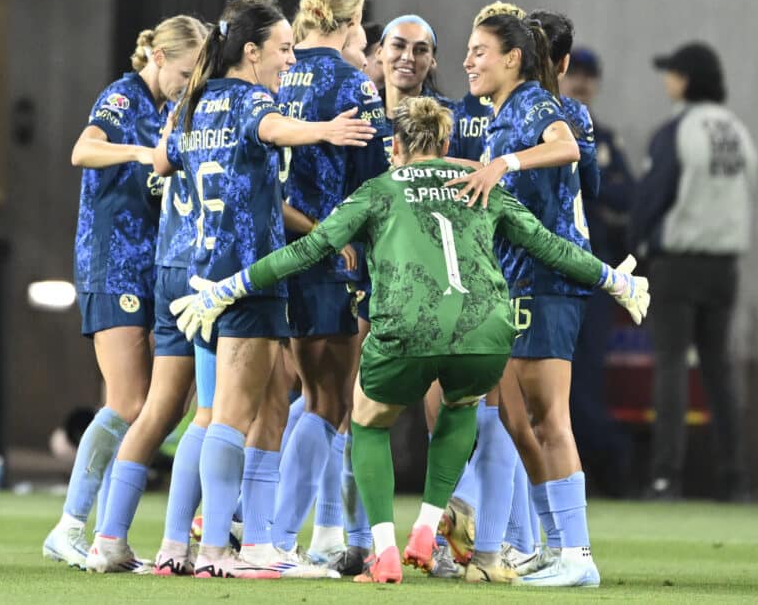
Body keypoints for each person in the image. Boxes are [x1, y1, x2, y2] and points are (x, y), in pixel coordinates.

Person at [169, 96, 649, 585]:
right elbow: (548, 244)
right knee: (462, 408)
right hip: (484, 330)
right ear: (445, 143)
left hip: (407, 325)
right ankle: (425, 524)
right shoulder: (479, 184)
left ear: (394, 145)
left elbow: (312, 248)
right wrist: (616, 280)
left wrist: (232, 286)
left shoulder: (378, 189)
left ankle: (384, 551)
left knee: (368, 422)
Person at [157, 0, 374, 580]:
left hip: (199, 274)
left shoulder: (195, 102)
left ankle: (181, 545)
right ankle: (241, 549)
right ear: (250, 52)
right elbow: (272, 127)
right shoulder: (253, 99)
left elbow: (161, 162)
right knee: (234, 417)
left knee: (211, 417)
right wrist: (324, 129)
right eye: (282, 49)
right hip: (248, 280)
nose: (289, 61)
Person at [446, 13, 614, 587]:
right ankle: (552, 546)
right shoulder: (502, 115)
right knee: (520, 421)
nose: (468, 61)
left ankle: (578, 555)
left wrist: (505, 162)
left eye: (479, 51)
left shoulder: (535, 103)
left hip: (548, 278)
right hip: (519, 279)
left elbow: (564, 147)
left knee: (549, 418)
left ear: (512, 58)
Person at [43, 15, 204, 571]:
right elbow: (82, 151)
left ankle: (109, 534)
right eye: (185, 71)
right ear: (158, 58)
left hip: (152, 266)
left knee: (162, 405)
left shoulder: (173, 110)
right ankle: (68, 527)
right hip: (112, 262)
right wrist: (140, 154)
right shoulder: (122, 96)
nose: (190, 82)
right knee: (130, 401)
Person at [270, 0, 387, 570]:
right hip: (333, 257)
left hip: (278, 250)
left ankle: (281, 534)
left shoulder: (277, 76)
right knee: (329, 402)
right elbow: (377, 177)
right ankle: (281, 540)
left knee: (295, 397)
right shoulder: (352, 85)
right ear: (350, 17)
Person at [629, 41, 757, 502]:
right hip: (725, 265)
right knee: (719, 370)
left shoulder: (678, 130)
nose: (667, 81)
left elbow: (651, 197)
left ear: (685, 79)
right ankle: (735, 478)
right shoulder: (738, 132)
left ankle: (666, 477)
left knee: (671, 367)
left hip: (679, 263)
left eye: (672, 73)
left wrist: (633, 249)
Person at [560, 46, 636, 498]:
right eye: (576, 74)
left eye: (591, 76)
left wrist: (599, 191)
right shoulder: (537, 128)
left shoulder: (604, 138)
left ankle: (599, 468)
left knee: (585, 377)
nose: (582, 83)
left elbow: (628, 195)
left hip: (591, 273)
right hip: (547, 271)